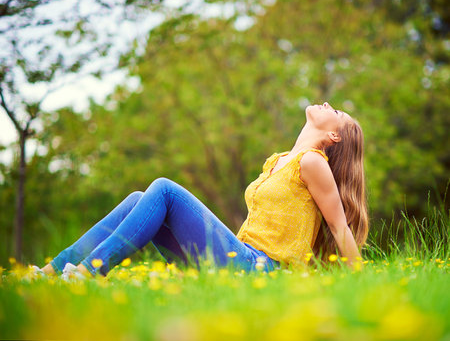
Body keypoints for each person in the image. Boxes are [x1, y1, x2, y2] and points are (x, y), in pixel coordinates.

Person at [38, 102, 368, 278]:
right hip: (235, 259)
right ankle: (53, 270)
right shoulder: (279, 161)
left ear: (334, 137)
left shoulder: (313, 162)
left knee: (164, 191)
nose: (327, 104)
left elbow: (339, 226)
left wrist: (359, 281)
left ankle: (88, 272)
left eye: (336, 111)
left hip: (259, 270)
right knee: (139, 200)